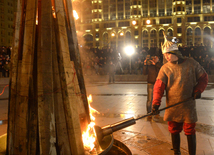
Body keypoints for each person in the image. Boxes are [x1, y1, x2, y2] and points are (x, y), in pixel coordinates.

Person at [152, 33, 208, 155]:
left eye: (168, 54)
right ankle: (176, 152)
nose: (166, 56)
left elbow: (203, 78)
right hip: (173, 105)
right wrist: (156, 103)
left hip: (188, 104)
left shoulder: (192, 64)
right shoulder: (165, 68)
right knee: (174, 129)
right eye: (164, 54)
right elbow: (158, 87)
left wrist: (198, 90)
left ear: (175, 53)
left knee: (189, 130)